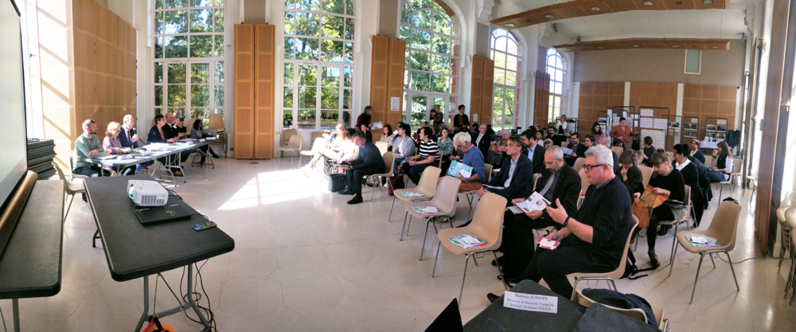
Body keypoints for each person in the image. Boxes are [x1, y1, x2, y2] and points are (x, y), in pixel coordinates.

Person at [494, 144, 633, 299]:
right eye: (585, 166)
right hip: (587, 244)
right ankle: (520, 293)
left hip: (603, 255)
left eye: (589, 167)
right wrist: (561, 233)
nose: (585, 170)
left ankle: (570, 303)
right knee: (544, 245)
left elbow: (598, 237)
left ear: (605, 167)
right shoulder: (596, 186)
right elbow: (581, 218)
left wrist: (565, 220)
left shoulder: (615, 195)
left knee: (547, 262)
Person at [497, 146, 581, 280]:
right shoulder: (548, 170)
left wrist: (542, 213)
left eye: (549, 163)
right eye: (545, 163)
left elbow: (567, 208)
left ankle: (526, 266)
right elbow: (539, 192)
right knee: (508, 215)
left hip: (553, 213)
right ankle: (511, 258)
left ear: (559, 161)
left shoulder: (572, 178)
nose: (546, 167)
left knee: (519, 223)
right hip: (537, 205)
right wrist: (525, 200)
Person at [639, 149, 686, 268]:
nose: (655, 169)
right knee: (652, 219)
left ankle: (632, 235)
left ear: (666, 164)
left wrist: (663, 191)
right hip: (659, 206)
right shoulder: (656, 174)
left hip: (674, 208)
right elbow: (650, 190)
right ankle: (651, 251)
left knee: (650, 214)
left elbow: (680, 197)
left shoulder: (676, 174)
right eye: (654, 166)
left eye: (658, 166)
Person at [478, 136, 533, 202]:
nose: (507, 148)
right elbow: (498, 177)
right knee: (485, 192)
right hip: (504, 189)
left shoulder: (526, 164)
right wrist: (485, 187)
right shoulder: (507, 160)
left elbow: (516, 187)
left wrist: (494, 194)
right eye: (507, 145)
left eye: (511, 145)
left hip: (516, 194)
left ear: (519, 147)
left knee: (487, 198)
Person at [338, 131, 385, 205]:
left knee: (357, 171)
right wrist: (349, 163)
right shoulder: (362, 146)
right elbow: (360, 159)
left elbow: (366, 164)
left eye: (357, 141)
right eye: (355, 142)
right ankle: (350, 189)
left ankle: (358, 196)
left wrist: (352, 166)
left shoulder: (370, 148)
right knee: (350, 168)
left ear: (363, 139)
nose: (356, 144)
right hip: (370, 165)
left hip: (377, 167)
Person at [673, 144, 705, 226]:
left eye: (675, 154)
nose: (673, 157)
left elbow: (694, 184)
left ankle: (672, 220)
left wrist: (680, 186)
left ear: (682, 155)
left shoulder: (692, 167)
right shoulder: (674, 164)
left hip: (689, 190)